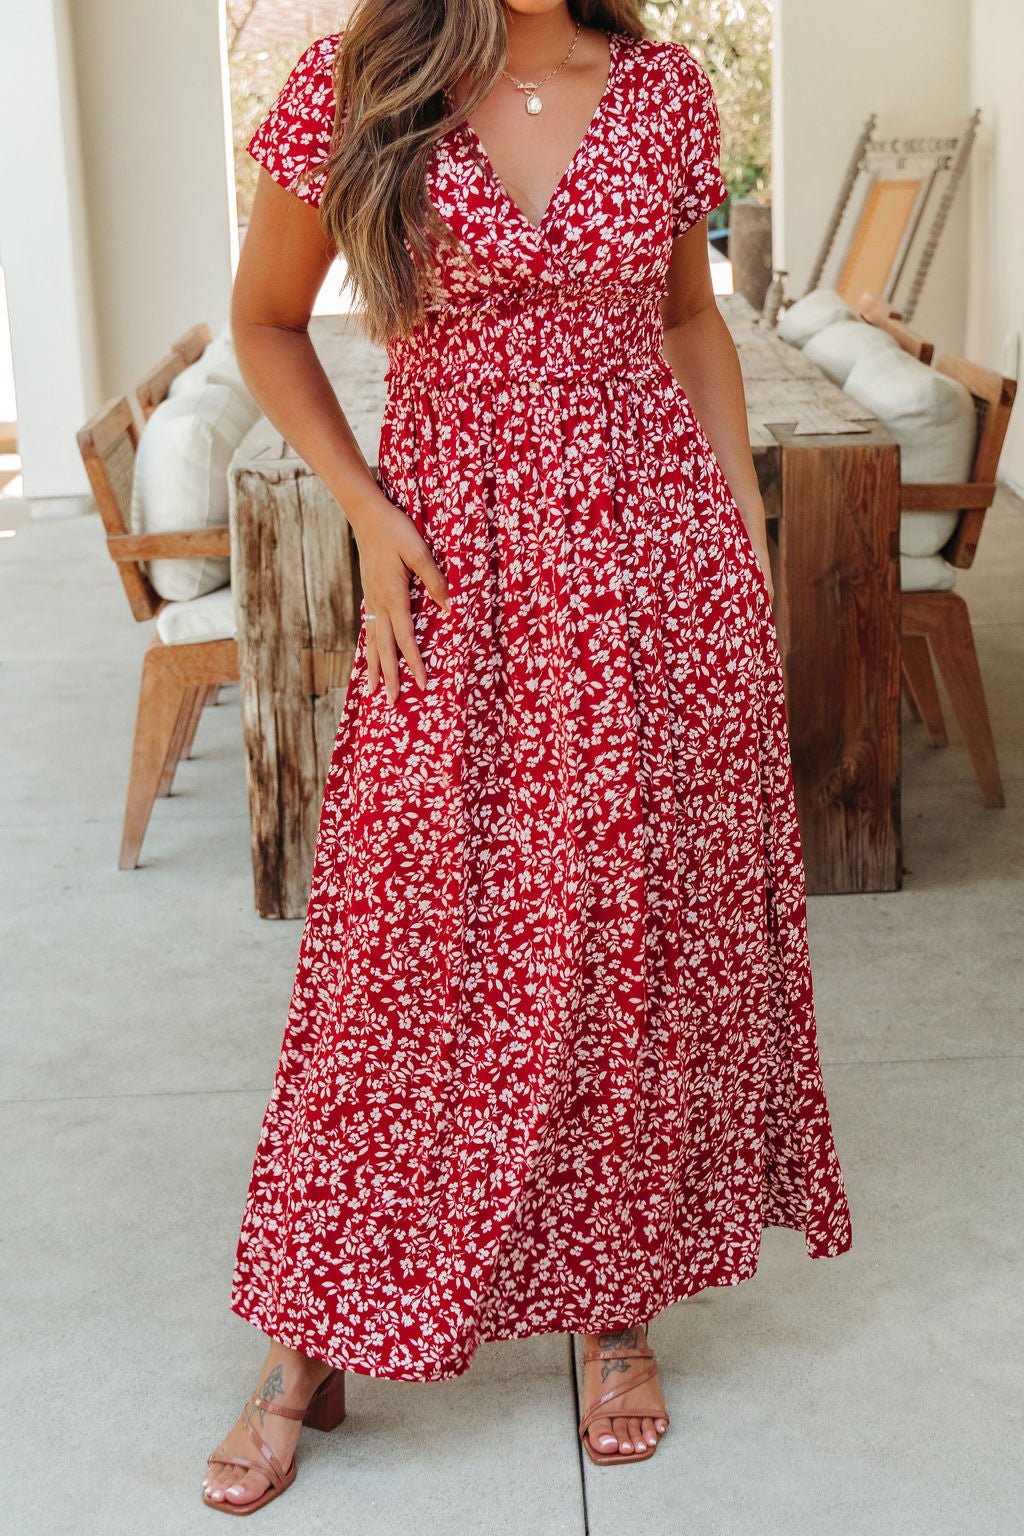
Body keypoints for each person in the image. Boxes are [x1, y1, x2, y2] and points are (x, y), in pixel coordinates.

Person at [202, 0, 853, 1514]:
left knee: (626, 944)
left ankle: (613, 1308)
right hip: (457, 572)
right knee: (402, 948)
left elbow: (685, 322)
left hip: (653, 569)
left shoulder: (664, 88)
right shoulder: (363, 81)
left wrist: (737, 545)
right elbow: (267, 320)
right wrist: (368, 513)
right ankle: (307, 1340)